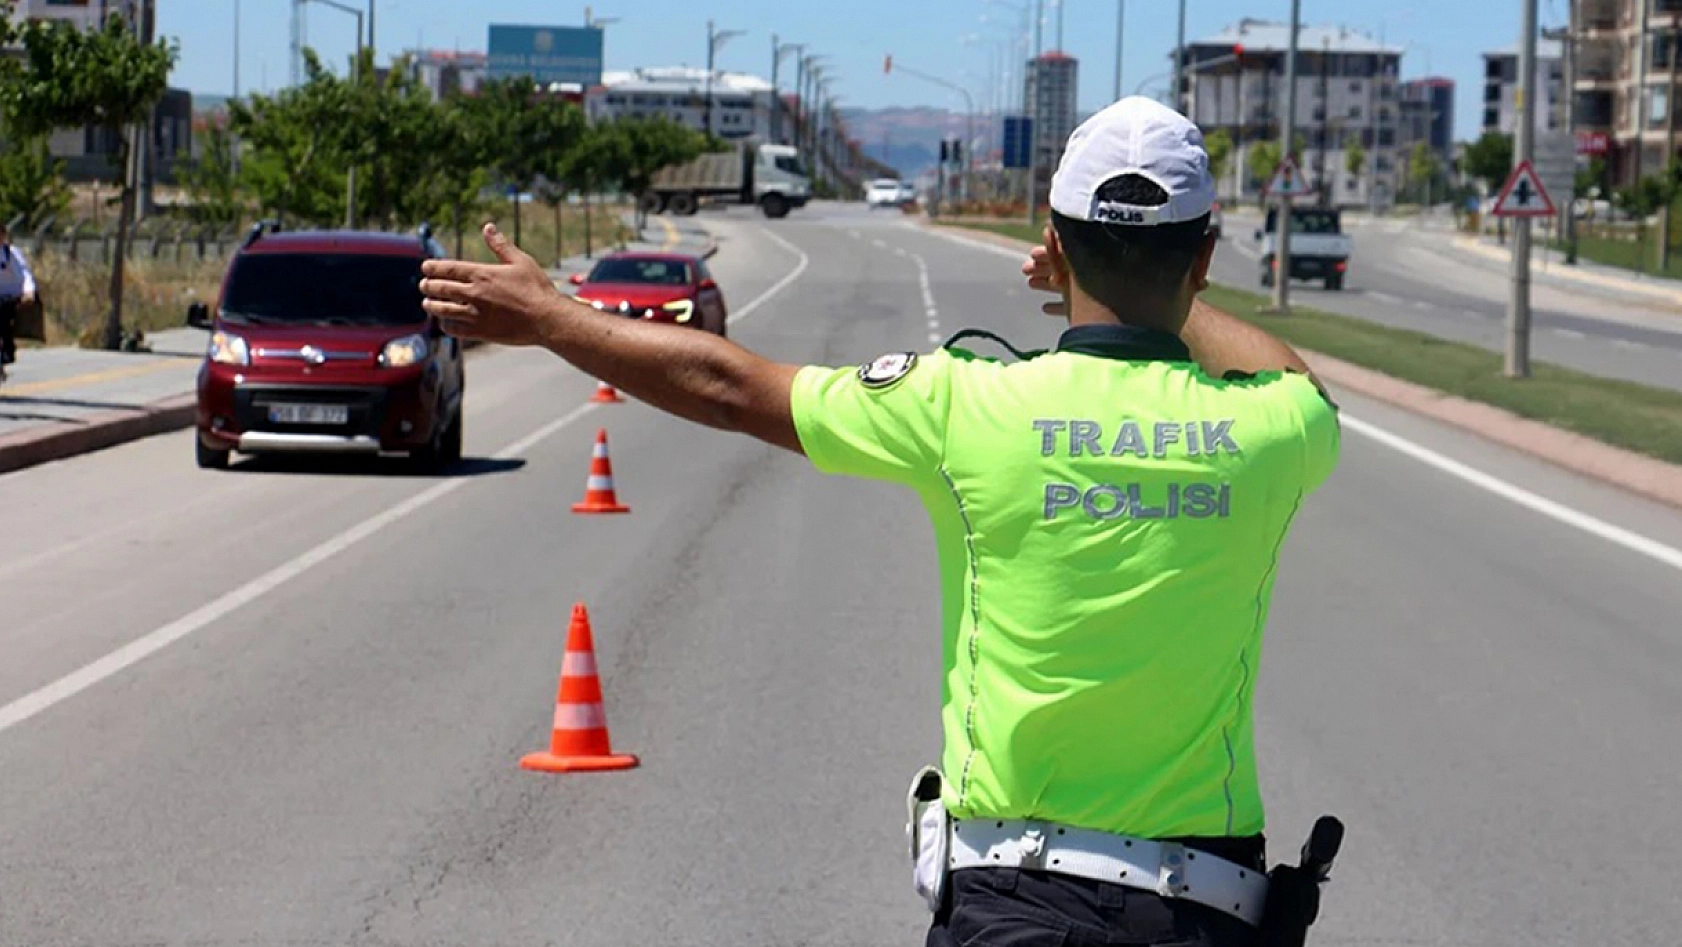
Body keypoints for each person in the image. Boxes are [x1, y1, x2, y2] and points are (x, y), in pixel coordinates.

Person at [417, 96, 1340, 947]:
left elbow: (732, 388)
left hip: (1013, 906)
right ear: (1206, 256)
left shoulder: (963, 405)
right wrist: (1168, 295)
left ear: (1052, 242)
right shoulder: (1271, 426)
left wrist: (552, 318)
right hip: (1207, 913)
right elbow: (1295, 377)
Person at [0, 220, 38, 382]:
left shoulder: (10, 254)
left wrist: (29, 292)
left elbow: (24, 274)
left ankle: (5, 352)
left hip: (9, 297)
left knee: (3, 324)